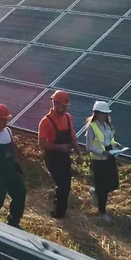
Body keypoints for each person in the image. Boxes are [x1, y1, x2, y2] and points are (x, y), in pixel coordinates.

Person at [38, 90, 82, 219]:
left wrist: (79, 153)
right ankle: (57, 213)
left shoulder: (68, 118)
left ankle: (61, 212)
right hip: (52, 158)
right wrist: (59, 147)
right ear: (54, 103)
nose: (63, 108)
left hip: (65, 157)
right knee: (62, 184)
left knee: (66, 185)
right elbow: (42, 144)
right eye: (61, 105)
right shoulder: (45, 122)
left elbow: (73, 136)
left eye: (65, 106)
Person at [83, 100, 121, 221]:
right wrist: (102, 152)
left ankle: (95, 192)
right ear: (97, 113)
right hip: (99, 160)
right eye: (103, 113)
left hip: (109, 157)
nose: (105, 115)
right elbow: (89, 147)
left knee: (113, 183)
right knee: (103, 187)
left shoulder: (107, 125)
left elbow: (109, 140)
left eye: (106, 113)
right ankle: (102, 213)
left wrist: (116, 144)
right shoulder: (91, 127)